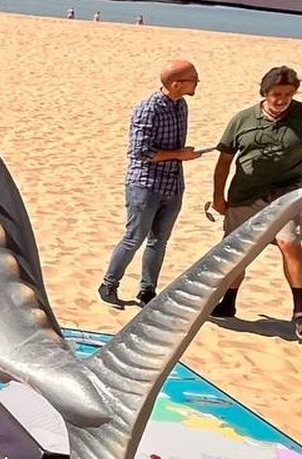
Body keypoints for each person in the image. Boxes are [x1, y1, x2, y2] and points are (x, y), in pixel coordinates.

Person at [98, 61, 203, 307]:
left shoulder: (181, 106)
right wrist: (179, 154)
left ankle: (147, 290)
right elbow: (140, 152)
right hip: (145, 185)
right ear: (176, 84)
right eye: (193, 79)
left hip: (173, 184)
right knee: (134, 237)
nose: (197, 83)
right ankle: (108, 285)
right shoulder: (149, 108)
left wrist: (181, 155)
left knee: (159, 240)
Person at [210, 65, 302, 331]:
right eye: (276, 94)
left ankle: (299, 312)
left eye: (288, 93)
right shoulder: (242, 119)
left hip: (287, 195)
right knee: (236, 250)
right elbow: (224, 160)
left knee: (290, 243)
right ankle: (228, 303)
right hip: (244, 195)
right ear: (265, 93)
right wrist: (218, 197)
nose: (282, 100)